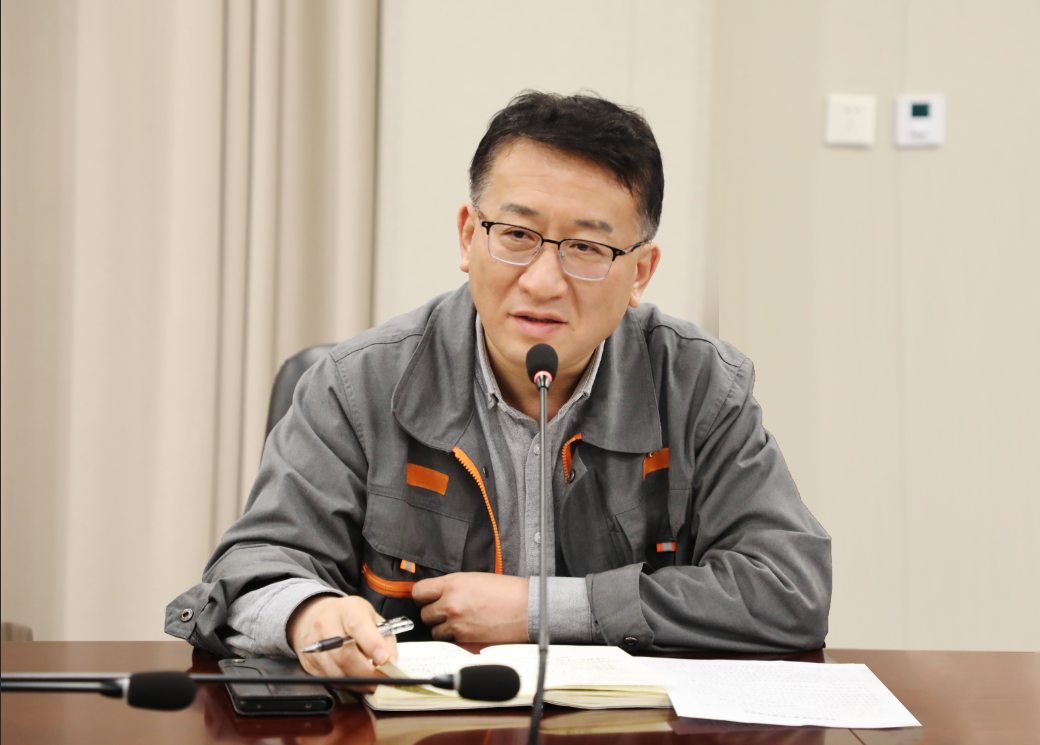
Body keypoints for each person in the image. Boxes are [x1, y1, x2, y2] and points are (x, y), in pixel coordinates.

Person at [166, 91, 831, 685]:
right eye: (516, 235)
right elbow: (250, 569)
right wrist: (308, 614)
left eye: (587, 248)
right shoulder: (358, 383)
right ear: (467, 236)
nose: (543, 281)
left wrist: (543, 609)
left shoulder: (699, 386)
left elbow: (789, 589)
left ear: (640, 272)